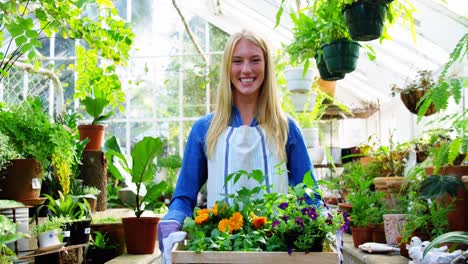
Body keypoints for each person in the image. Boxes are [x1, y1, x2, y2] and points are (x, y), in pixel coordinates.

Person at [157, 29, 323, 253]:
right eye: (237, 61)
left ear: (266, 66)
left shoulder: (286, 128)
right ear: (227, 67)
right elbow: (184, 197)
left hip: (277, 251)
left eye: (255, 60)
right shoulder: (204, 130)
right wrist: (172, 221)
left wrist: (325, 222)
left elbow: (309, 193)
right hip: (222, 249)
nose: (246, 69)